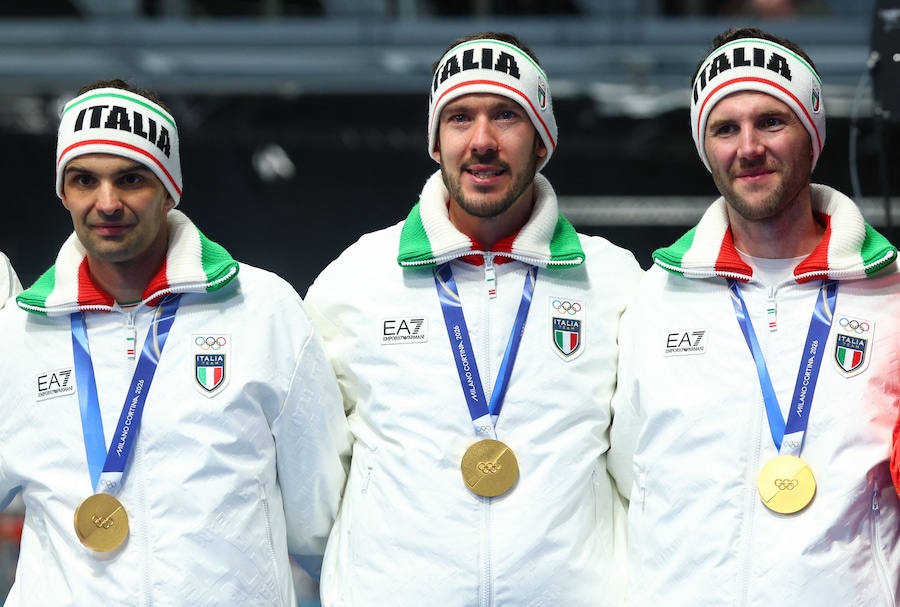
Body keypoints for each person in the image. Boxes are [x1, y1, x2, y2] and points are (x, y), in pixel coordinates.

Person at [305, 31, 644, 606]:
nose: (482, 141)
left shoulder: (613, 279)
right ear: (436, 142)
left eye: (506, 116)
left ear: (542, 141)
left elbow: (643, 465)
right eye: (460, 117)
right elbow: (310, 474)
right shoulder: (357, 277)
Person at [0, 79, 351, 605]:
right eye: (83, 180)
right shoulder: (18, 335)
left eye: (131, 178)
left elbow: (318, 511)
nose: (107, 202)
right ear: (63, 190)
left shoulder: (261, 310)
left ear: (170, 188)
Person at [609, 26, 900, 604]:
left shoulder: (891, 294)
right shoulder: (654, 297)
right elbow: (627, 471)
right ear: (705, 148)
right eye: (725, 128)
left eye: (771, 121)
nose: (748, 148)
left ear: (812, 135)